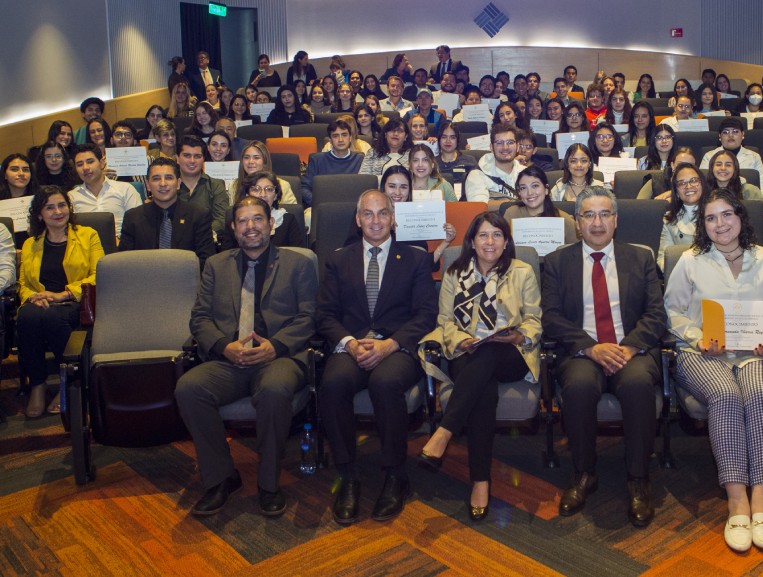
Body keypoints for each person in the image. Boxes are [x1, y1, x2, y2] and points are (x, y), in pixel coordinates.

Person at [665, 188, 763, 552]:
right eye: (710, 218)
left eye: (726, 215)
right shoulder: (690, 261)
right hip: (704, 354)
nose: (720, 224)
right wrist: (697, 336)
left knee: (761, 393)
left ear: (741, 217)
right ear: (702, 225)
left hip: (756, 353)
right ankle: (737, 500)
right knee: (725, 395)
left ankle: (762, 501)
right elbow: (672, 312)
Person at [175, 195, 316, 517]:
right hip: (230, 360)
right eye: (243, 221)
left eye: (257, 219)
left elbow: (309, 317)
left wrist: (275, 346)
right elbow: (199, 319)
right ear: (233, 228)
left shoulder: (298, 264)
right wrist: (225, 346)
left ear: (271, 223)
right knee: (190, 388)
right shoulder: (215, 265)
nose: (250, 227)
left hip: (279, 357)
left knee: (273, 390)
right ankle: (222, 478)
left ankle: (268, 483)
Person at [542, 186, 666, 528]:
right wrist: (590, 347)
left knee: (639, 383)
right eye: (588, 215)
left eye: (604, 214)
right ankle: (584, 473)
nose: (597, 223)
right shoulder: (556, 261)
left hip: (631, 348)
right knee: (579, 386)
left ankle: (638, 478)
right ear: (578, 223)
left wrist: (627, 347)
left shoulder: (640, 258)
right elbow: (551, 317)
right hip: (583, 349)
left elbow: (656, 315)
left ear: (616, 220)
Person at [316, 189, 436, 524]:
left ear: (393, 218)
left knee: (385, 384)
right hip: (352, 345)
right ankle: (348, 475)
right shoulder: (339, 259)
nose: (376, 221)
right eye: (368, 214)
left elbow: (426, 315)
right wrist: (351, 343)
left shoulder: (414, 259)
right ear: (357, 220)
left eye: (383, 213)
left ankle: (396, 475)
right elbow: (324, 315)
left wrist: (390, 345)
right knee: (333, 382)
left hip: (397, 348)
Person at [417, 212, 541, 520]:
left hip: (510, 354)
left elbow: (534, 320)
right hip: (466, 352)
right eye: (483, 235)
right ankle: (481, 481)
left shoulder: (522, 272)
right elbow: (444, 321)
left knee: (488, 353)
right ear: (471, 241)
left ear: (506, 241)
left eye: (497, 235)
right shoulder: (453, 273)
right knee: (482, 384)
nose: (490, 242)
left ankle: (444, 432)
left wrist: (518, 335)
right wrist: (460, 341)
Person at [19, 186, 103, 418]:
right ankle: (38, 384)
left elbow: (98, 274)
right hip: (40, 302)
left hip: (75, 300)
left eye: (62, 205)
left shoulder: (88, 235)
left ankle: (68, 382)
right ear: (39, 214)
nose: (58, 211)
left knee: (54, 317)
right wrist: (32, 297)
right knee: (26, 317)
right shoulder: (30, 243)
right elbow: (23, 283)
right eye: (50, 207)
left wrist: (64, 294)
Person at [118, 157, 215, 268]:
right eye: (156, 178)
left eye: (169, 178)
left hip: (186, 281)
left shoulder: (198, 215)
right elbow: (124, 261)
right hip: (144, 281)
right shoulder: (133, 217)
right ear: (148, 185)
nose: (163, 183)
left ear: (178, 183)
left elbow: (206, 261)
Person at [68, 144, 142, 238]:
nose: (85, 168)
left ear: (102, 163)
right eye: (79, 164)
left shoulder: (125, 189)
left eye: (90, 162)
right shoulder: (71, 197)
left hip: (122, 246)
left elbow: (138, 224)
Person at [221, 171, 306, 250]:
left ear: (276, 195)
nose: (263, 195)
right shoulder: (237, 221)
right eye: (256, 189)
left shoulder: (288, 220)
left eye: (268, 189)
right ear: (247, 194)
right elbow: (226, 258)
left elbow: (298, 255)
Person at [706, 149, 763, 230]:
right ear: (712, 168)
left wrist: (753, 228)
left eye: (728, 165)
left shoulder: (749, 190)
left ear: (735, 169)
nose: (723, 168)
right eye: (718, 164)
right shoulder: (703, 192)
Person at [504, 166, 577, 244]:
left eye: (535, 186)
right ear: (519, 193)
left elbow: (576, 252)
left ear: (546, 189)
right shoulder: (511, 214)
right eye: (523, 188)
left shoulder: (564, 219)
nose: (530, 193)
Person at [700, 117, 763, 196]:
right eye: (726, 132)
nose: (731, 135)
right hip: (716, 198)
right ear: (720, 136)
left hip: (747, 198)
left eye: (735, 132)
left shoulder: (754, 156)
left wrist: (754, 196)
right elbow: (703, 182)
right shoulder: (709, 156)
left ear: (743, 135)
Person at [301, 119, 364, 206]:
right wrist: (318, 203)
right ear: (330, 141)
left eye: (344, 135)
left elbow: (367, 188)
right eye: (335, 136)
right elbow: (304, 188)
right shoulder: (317, 160)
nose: (340, 139)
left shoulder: (360, 159)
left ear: (350, 138)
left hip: (354, 206)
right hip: (323, 206)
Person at [176, 136, 229, 236]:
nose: (192, 161)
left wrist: (197, 233)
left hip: (206, 241)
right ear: (177, 158)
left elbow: (221, 220)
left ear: (203, 159)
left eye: (197, 156)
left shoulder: (215, 185)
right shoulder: (169, 186)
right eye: (187, 155)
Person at [464, 123, 524, 207]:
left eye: (510, 142)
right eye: (499, 143)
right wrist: (518, 204)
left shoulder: (526, 173)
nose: (505, 147)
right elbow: (479, 207)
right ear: (491, 147)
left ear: (517, 147)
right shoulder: (477, 175)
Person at [657, 163, 705, 264]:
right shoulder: (670, 219)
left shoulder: (717, 213)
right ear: (676, 191)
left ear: (701, 184)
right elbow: (663, 258)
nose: (688, 186)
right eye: (682, 183)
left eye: (693, 180)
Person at [229, 140, 297, 206]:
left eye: (256, 158)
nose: (251, 162)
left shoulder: (283, 185)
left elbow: (292, 213)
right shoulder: (234, 185)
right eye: (246, 157)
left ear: (265, 162)